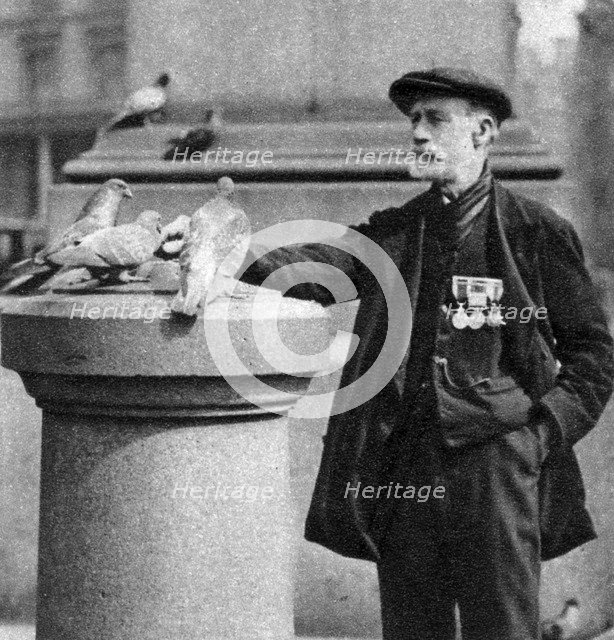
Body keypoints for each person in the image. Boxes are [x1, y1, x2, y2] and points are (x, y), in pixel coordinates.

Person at [240, 67, 614, 640]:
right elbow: (317, 269)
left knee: (502, 629)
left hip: (498, 467)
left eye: (434, 119)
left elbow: (593, 356)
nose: (417, 134)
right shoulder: (397, 231)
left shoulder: (535, 230)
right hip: (405, 467)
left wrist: (539, 436)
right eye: (413, 120)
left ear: (482, 131)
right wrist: (224, 254)